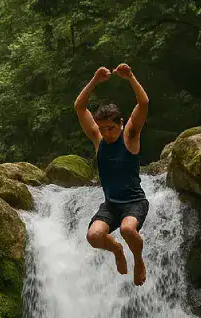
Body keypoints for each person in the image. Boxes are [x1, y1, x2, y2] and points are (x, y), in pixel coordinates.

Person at [74, 63, 150, 286]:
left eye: (112, 128)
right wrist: (95, 80)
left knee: (127, 229)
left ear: (121, 123)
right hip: (111, 205)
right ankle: (117, 250)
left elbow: (143, 103)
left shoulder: (130, 137)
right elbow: (79, 107)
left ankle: (138, 260)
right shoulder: (98, 140)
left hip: (135, 202)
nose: (107, 133)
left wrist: (131, 77)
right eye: (103, 128)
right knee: (93, 236)